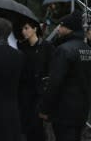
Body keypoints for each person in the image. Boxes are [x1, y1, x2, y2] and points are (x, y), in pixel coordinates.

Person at [39, 12, 91, 141]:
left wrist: (45, 109)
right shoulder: (87, 49)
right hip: (82, 110)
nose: (58, 28)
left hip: (64, 112)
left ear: (69, 28)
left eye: (61, 25)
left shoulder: (63, 50)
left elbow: (55, 82)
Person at [17, 19, 53, 141]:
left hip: (39, 93)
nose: (24, 31)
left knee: (38, 127)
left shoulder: (46, 47)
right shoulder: (22, 47)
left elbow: (51, 68)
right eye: (22, 29)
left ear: (35, 29)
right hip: (25, 93)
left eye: (26, 28)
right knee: (27, 127)